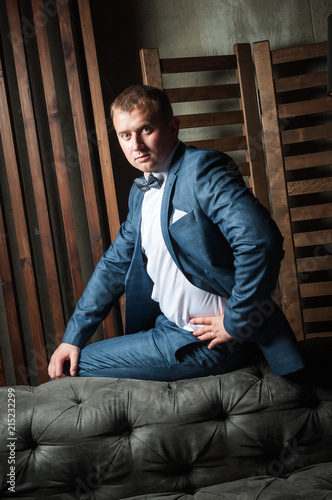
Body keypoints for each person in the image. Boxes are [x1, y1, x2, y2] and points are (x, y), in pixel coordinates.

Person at [48, 84, 304, 381]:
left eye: (145, 129)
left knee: (77, 367)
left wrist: (237, 321)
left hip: (212, 340)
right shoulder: (140, 193)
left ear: (172, 127)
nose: (136, 145)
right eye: (125, 135)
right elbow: (114, 266)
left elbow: (260, 242)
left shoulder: (202, 169)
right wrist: (73, 337)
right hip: (169, 326)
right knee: (72, 354)